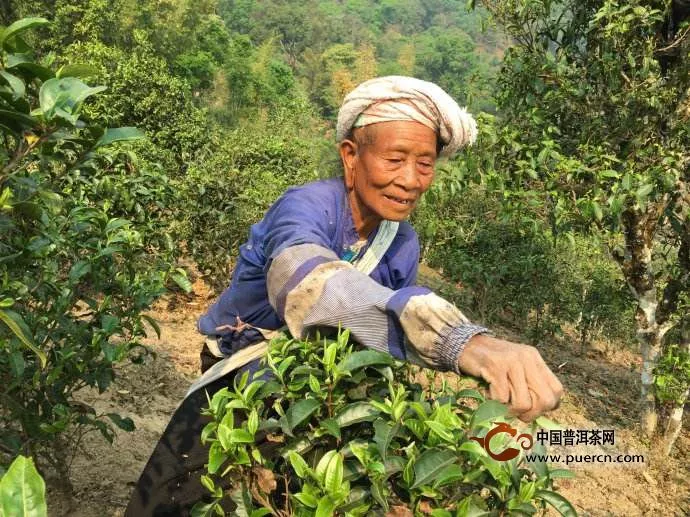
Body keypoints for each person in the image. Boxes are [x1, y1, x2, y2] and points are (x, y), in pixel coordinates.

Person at [125, 76, 563, 516]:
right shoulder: (305, 206)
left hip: (320, 387)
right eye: (394, 159)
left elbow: (377, 344)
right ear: (351, 156)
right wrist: (457, 340)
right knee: (180, 494)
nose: (410, 180)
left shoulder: (402, 242)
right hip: (236, 375)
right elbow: (306, 281)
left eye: (425, 164)